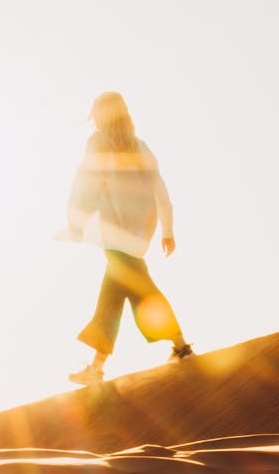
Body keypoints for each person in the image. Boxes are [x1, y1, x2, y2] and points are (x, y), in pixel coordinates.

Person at [65, 92, 192, 385]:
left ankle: (181, 347)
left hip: (114, 235)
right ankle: (96, 368)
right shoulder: (141, 148)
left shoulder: (98, 147)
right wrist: (167, 229)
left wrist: (75, 223)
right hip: (137, 236)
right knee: (112, 294)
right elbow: (160, 189)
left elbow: (85, 187)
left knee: (141, 291)